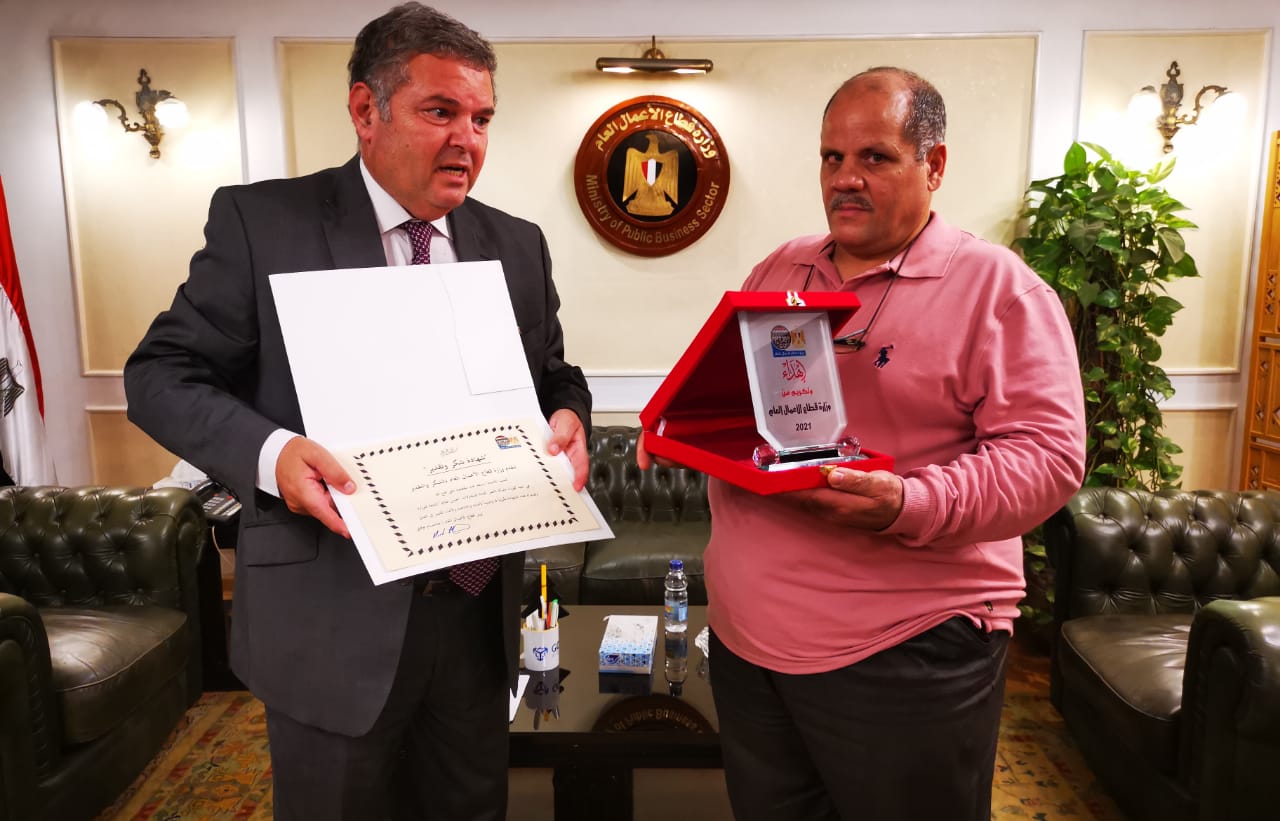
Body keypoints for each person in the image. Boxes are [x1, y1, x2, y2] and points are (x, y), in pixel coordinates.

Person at [124, 4, 591, 819]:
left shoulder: (518, 244)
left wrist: (569, 416)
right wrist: (274, 454)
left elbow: (555, 375)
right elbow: (159, 375)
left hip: (475, 619)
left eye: (482, 118)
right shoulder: (263, 224)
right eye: (440, 111)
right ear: (365, 110)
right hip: (329, 622)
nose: (468, 139)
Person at [640, 67, 1085, 819]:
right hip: (748, 644)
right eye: (832, 157)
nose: (845, 178)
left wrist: (909, 503)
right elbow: (730, 396)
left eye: (874, 157)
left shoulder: (999, 288)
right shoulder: (783, 267)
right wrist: (678, 427)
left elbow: (1048, 459)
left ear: (933, 165)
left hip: (905, 652)